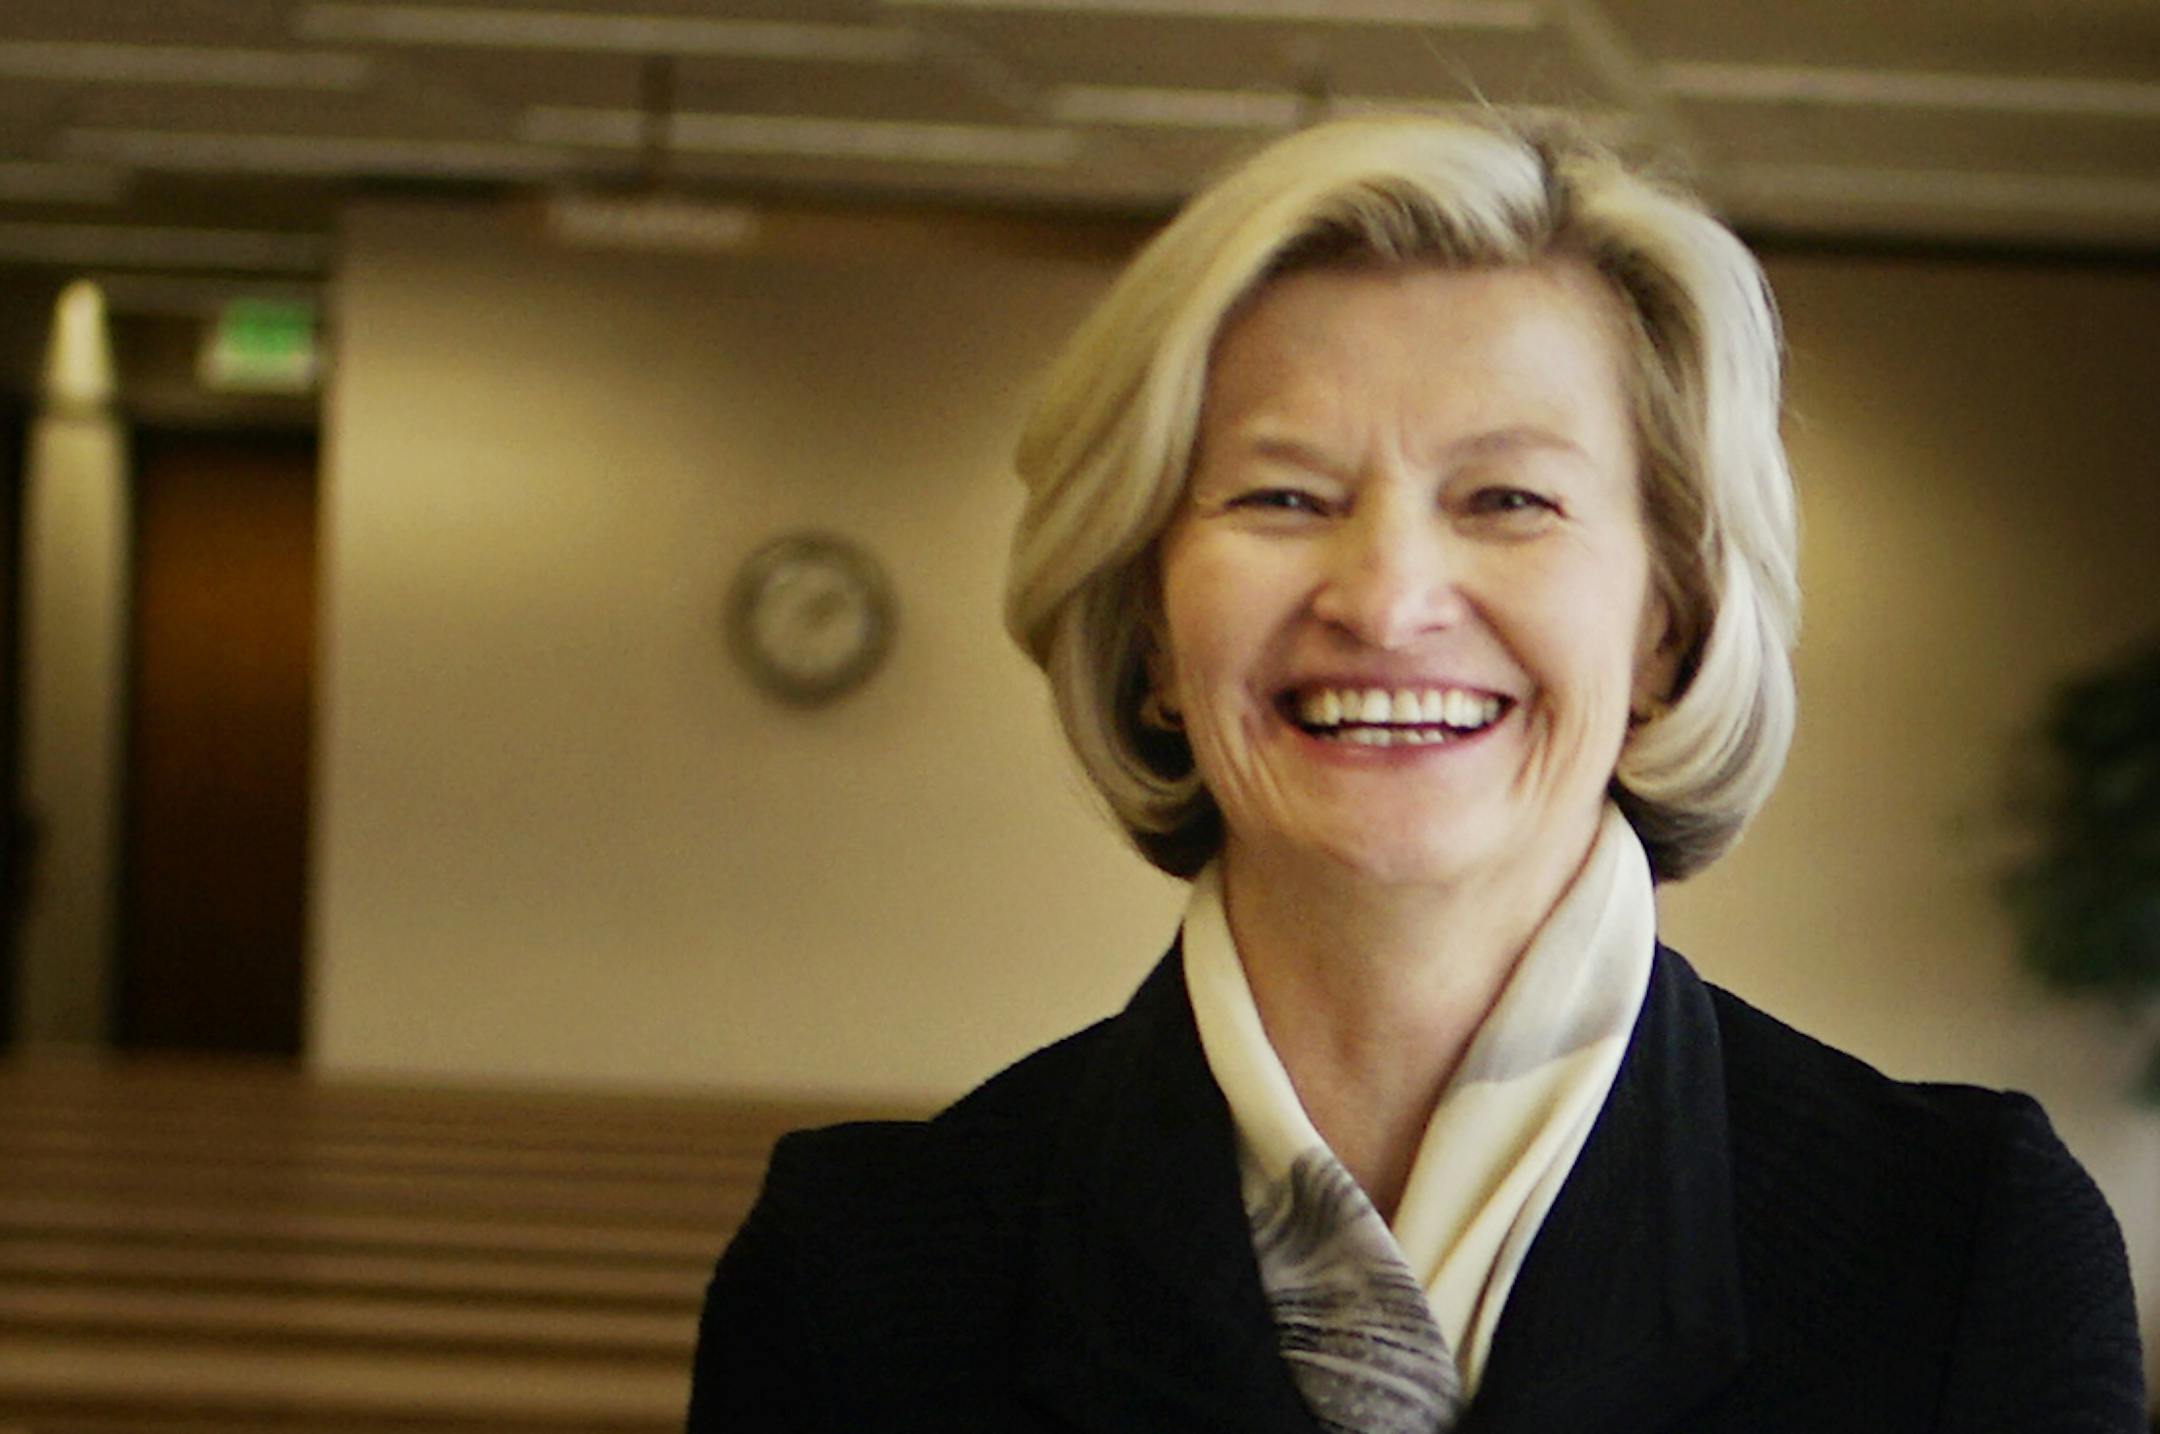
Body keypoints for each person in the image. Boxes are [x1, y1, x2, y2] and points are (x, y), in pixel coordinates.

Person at [688, 113, 2146, 1432]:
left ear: (1667, 624)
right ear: (1147, 634)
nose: (1386, 596)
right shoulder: (862, 1271)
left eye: (1508, 498)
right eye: (1283, 496)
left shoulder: (1968, 1243)